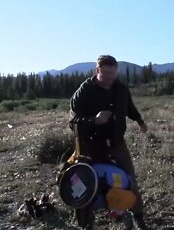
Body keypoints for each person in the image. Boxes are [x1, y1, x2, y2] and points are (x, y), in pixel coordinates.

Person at [69, 55, 149, 229]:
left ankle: (138, 216)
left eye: (113, 73)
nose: (110, 78)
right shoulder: (85, 92)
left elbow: (130, 108)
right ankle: (86, 223)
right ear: (97, 71)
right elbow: (73, 123)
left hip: (116, 141)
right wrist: (93, 120)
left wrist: (140, 121)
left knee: (130, 177)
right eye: (105, 73)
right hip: (90, 144)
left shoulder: (121, 89)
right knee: (84, 181)